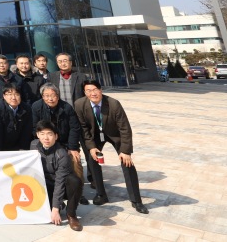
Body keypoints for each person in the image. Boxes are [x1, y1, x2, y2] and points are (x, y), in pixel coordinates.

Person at [75, 80, 149, 213]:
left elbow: (124, 128)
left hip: (115, 134)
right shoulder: (79, 104)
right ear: (85, 93)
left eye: (95, 90)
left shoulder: (114, 104)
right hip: (95, 135)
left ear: (101, 90)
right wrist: (91, 147)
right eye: (88, 91)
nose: (93, 93)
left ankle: (136, 200)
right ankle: (101, 194)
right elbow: (84, 128)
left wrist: (125, 151)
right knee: (92, 160)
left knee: (127, 163)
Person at [32, 83, 87, 206]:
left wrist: (73, 147)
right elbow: (34, 128)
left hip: (64, 142)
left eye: (53, 95)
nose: (50, 98)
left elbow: (74, 128)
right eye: (46, 95)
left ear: (58, 95)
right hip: (45, 142)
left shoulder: (66, 107)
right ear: (42, 97)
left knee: (76, 161)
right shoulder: (36, 107)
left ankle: (78, 192)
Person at [33, 120, 84, 231]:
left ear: (56, 136)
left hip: (61, 185)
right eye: (42, 134)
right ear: (37, 135)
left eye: (50, 134)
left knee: (75, 181)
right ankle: (58, 204)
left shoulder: (62, 154)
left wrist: (55, 210)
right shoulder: (33, 147)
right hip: (44, 186)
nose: (46, 138)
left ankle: (71, 214)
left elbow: (60, 182)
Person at [0, 86, 33, 151]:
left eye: (17, 94)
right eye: (10, 94)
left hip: (17, 144)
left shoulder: (26, 108)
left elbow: (26, 132)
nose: (13, 98)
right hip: (0, 143)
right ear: (4, 96)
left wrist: (23, 149)